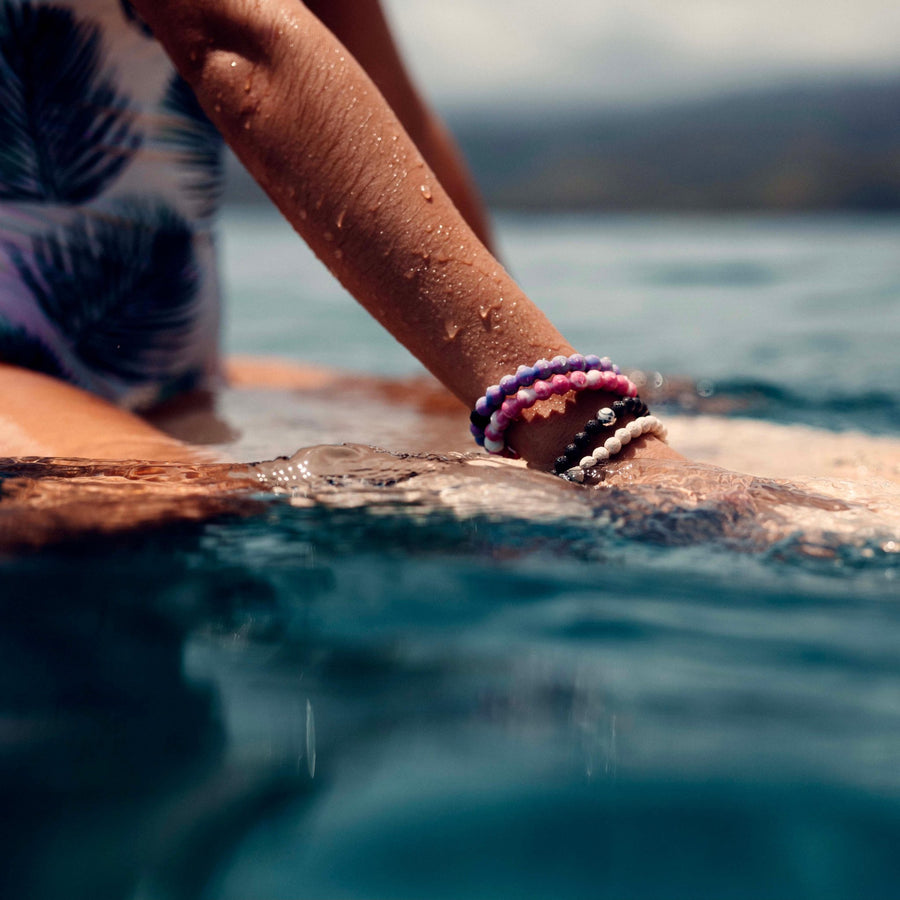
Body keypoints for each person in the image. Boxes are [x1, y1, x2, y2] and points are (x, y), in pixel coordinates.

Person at [0, 0, 680, 474]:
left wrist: (529, 392)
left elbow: (391, 113)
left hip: (172, 374)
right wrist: (575, 428)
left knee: (737, 449)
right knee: (179, 510)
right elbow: (233, 37)